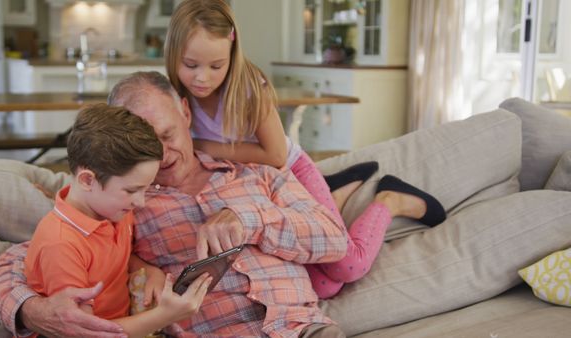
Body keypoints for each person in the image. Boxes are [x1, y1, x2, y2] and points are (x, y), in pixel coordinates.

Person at [0, 71, 446, 338]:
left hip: (301, 328)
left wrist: (250, 219)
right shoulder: (122, 200)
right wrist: (32, 311)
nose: (163, 156)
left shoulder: (257, 173)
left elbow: (333, 242)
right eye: (148, 146)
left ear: (186, 113)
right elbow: (20, 256)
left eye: (167, 136)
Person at [163, 0, 445, 298]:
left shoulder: (247, 87)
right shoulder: (174, 98)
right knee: (323, 287)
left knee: (348, 267)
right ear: (173, 56)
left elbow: (276, 155)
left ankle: (390, 200)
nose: (202, 77)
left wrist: (207, 147)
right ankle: (335, 191)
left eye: (216, 66)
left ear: (232, 55)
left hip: (288, 171)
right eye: (190, 65)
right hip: (252, 187)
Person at [22, 103, 213, 337]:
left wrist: (147, 269)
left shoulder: (112, 209)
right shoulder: (61, 245)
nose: (141, 202)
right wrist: (164, 316)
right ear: (87, 180)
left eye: (145, 189)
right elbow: (84, 332)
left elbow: (112, 257)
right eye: (132, 190)